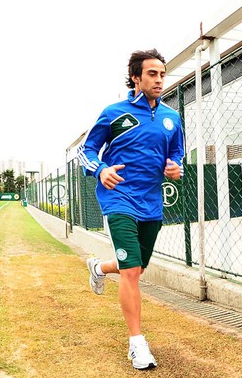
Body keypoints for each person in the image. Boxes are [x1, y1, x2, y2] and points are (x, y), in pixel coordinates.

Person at [78, 49, 184, 370]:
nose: (159, 80)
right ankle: (137, 343)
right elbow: (88, 149)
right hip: (118, 199)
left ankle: (98, 268)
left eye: (162, 74)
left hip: (151, 204)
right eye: (152, 74)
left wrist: (175, 166)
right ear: (136, 77)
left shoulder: (171, 117)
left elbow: (177, 152)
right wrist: (100, 170)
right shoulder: (114, 112)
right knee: (131, 272)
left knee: (137, 267)